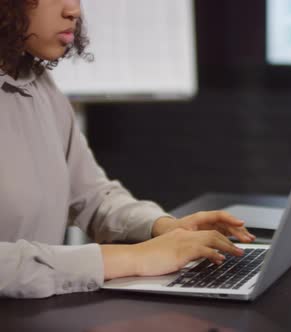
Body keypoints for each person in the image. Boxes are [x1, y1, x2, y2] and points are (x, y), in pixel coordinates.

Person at [0, 0, 255, 299]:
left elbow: (93, 196)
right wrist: (133, 258)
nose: (74, 10)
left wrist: (163, 228)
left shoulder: (36, 80)